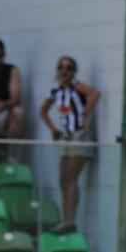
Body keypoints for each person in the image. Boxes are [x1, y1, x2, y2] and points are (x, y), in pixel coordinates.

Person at [39, 56, 100, 234]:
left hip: (79, 135)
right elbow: (43, 110)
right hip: (66, 136)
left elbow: (95, 94)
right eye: (61, 68)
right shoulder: (56, 91)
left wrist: (86, 117)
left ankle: (70, 220)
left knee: (71, 178)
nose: (64, 71)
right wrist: (53, 129)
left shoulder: (77, 87)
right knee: (63, 178)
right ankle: (66, 219)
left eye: (69, 68)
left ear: (74, 72)